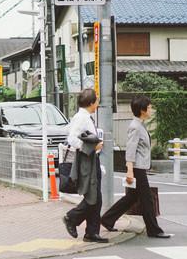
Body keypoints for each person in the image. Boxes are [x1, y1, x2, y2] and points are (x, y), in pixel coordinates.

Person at [101, 96, 171, 238]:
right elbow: (130, 150)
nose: (151, 109)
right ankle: (154, 230)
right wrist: (130, 171)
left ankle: (107, 219)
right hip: (137, 169)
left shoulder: (140, 124)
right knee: (147, 200)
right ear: (142, 110)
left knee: (131, 198)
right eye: (149, 107)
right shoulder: (135, 127)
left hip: (140, 167)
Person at [62, 88, 108, 243]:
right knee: (94, 197)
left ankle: (91, 232)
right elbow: (72, 139)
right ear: (91, 102)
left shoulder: (82, 116)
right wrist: (91, 148)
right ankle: (72, 217)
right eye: (96, 101)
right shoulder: (82, 118)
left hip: (90, 160)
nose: (97, 104)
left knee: (95, 197)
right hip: (87, 161)